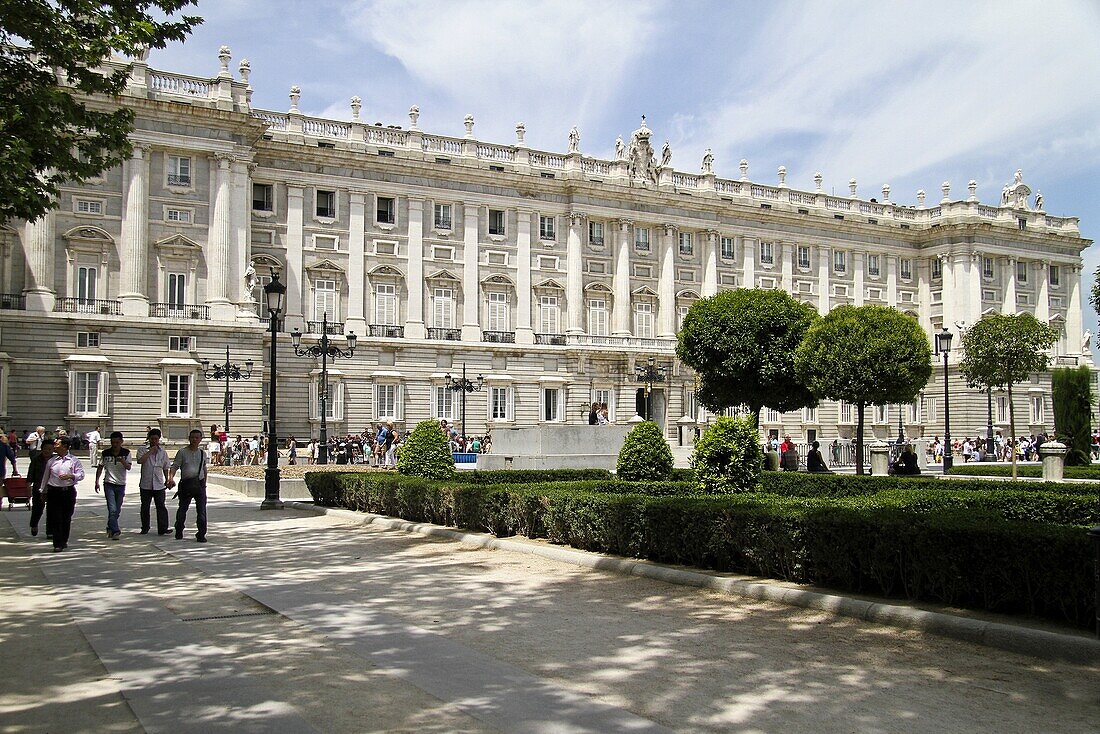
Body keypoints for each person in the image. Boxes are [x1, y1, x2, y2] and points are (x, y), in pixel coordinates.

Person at [41, 437, 85, 552]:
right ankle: (57, 543)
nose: (55, 445)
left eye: (57, 443)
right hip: (53, 492)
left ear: (65, 446)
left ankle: (64, 539)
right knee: (55, 518)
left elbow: (81, 474)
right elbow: (46, 477)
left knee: (66, 517)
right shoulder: (52, 461)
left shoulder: (73, 460)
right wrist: (43, 491)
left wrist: (71, 476)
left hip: (68, 491)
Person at [168, 429, 208, 543]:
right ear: (189, 438)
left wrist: (204, 483)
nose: (195, 440)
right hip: (186, 483)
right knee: (183, 508)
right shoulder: (182, 452)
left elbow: (204, 468)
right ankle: (179, 529)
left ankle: (201, 533)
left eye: (197, 438)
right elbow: (175, 466)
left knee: (201, 510)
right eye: (192, 437)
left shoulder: (202, 453)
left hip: (199, 484)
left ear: (200, 439)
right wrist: (170, 478)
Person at [94, 431, 131, 540]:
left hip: (121, 484)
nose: (115, 445)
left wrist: (123, 461)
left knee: (117, 509)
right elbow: (100, 467)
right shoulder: (105, 453)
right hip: (108, 483)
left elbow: (129, 467)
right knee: (112, 509)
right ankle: (115, 531)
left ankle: (110, 527)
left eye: (117, 442)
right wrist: (96, 481)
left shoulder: (126, 452)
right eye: (113, 442)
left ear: (121, 442)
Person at [137, 428, 173, 535]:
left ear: (159, 439)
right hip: (146, 483)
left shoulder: (163, 452)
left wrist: (168, 479)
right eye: (152, 439)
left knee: (161, 506)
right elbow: (140, 461)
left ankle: (163, 528)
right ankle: (145, 527)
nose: (154, 441)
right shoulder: (142, 450)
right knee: (145, 506)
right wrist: (150, 452)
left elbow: (166, 467)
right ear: (149, 439)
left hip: (159, 484)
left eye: (156, 439)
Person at [28, 437, 55, 538]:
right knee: (38, 508)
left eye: (50, 449)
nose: (47, 451)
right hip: (38, 488)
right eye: (45, 449)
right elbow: (31, 474)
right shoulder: (36, 459)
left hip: (52, 487)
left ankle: (50, 531)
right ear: (42, 449)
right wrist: (28, 487)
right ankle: (34, 524)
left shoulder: (55, 460)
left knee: (51, 510)